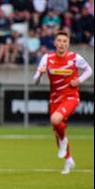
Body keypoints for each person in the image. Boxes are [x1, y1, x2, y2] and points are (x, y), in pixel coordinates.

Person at [33, 31, 93, 174]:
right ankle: (68, 160)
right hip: (55, 99)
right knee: (57, 127)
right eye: (59, 41)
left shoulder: (75, 58)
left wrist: (79, 80)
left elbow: (89, 70)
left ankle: (64, 141)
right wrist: (40, 74)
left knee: (55, 120)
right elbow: (35, 81)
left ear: (68, 44)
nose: (61, 43)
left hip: (71, 97)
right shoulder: (47, 58)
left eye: (64, 41)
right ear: (54, 43)